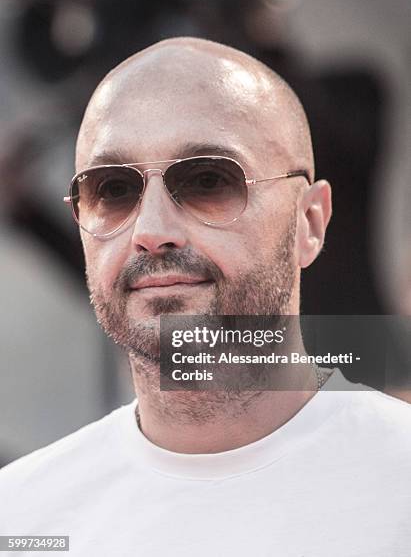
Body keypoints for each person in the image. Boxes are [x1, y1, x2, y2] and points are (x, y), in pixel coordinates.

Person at [0, 38, 410, 556]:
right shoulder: (21, 518)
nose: (150, 230)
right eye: (112, 190)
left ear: (309, 222)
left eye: (209, 180)